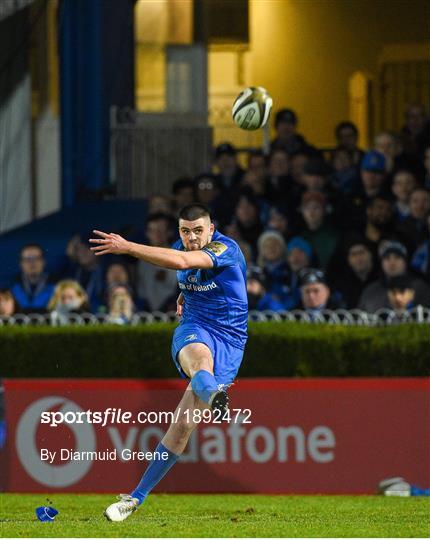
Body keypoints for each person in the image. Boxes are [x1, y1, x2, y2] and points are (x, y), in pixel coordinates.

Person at [90, 203, 248, 521]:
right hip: (194, 326)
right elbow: (186, 269)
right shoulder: (181, 246)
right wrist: (183, 295)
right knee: (199, 363)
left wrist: (127, 247)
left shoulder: (224, 248)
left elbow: (183, 261)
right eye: (185, 231)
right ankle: (215, 395)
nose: (191, 237)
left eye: (198, 230)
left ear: (211, 229)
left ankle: (136, 497)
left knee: (182, 427)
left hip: (230, 338)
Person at [358, 240, 430, 312]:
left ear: (405, 262)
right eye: (387, 258)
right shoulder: (371, 291)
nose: (392, 262)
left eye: (397, 257)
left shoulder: (420, 288)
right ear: (381, 263)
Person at [136, 213, 178, 312]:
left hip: (175, 313)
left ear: (170, 232)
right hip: (147, 315)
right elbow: (142, 293)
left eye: (160, 230)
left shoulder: (179, 257)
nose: (156, 234)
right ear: (147, 233)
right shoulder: (142, 260)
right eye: (152, 230)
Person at [331, 237, 378, 309]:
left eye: (361, 252)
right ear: (348, 260)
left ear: (370, 254)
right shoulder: (342, 284)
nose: (359, 258)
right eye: (354, 254)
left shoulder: (381, 280)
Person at [11, 244, 55, 313]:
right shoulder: (10, 285)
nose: (32, 263)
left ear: (43, 261)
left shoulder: (57, 284)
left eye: (36, 258)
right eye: (27, 259)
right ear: (21, 263)